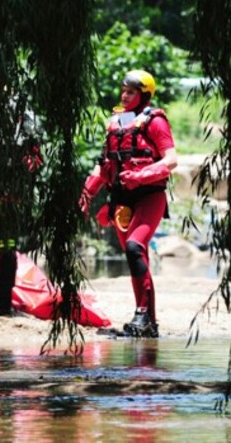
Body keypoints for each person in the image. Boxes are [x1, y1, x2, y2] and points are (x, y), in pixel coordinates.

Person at [79, 70, 178, 337]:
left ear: (144, 95)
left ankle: (143, 316)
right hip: (121, 200)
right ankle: (148, 323)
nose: (124, 96)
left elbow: (170, 161)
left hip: (149, 195)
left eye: (131, 92)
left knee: (135, 247)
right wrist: (87, 193)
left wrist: (140, 175)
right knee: (136, 255)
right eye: (123, 90)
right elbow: (104, 166)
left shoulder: (155, 121)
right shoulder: (117, 123)